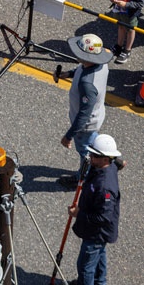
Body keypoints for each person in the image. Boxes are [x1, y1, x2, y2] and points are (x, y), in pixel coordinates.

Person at [57, 33, 112, 181]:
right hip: (97, 115)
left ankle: (82, 178)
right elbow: (82, 69)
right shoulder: (100, 64)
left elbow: (84, 114)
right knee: (93, 143)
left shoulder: (87, 84)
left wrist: (69, 136)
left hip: (86, 126)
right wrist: (69, 73)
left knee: (86, 154)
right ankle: (112, 160)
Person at [70, 134, 122, 285]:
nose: (90, 157)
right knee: (99, 257)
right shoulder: (108, 165)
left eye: (94, 155)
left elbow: (103, 217)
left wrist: (79, 214)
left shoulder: (105, 186)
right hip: (98, 233)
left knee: (85, 267)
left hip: (97, 233)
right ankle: (100, 283)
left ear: (105, 159)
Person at [108, 0, 144, 64]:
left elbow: (140, 4)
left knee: (131, 30)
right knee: (120, 26)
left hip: (130, 14)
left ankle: (127, 50)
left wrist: (126, 4)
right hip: (118, 10)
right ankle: (118, 46)